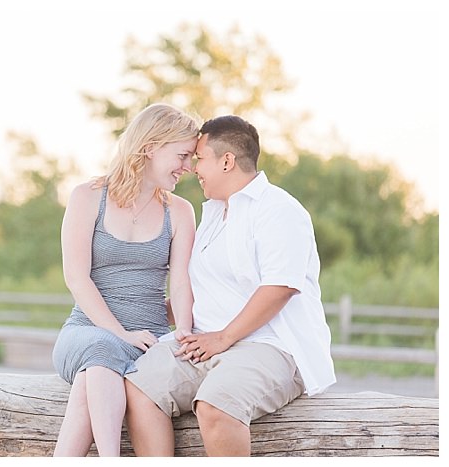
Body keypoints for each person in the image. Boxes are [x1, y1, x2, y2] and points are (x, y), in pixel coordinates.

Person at [124, 115, 336, 456]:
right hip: (204, 341)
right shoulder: (211, 214)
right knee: (138, 385)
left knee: (216, 405)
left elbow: (280, 287)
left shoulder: (279, 210)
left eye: (200, 158)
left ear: (226, 161)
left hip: (272, 346)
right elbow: (202, 289)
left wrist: (223, 338)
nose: (193, 168)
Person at [51, 103, 200, 456]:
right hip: (87, 331)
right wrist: (120, 333)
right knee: (101, 350)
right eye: (182, 155)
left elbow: (180, 283)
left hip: (148, 338)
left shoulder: (180, 212)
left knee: (91, 380)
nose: (188, 167)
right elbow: (77, 278)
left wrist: (184, 332)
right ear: (150, 147)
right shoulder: (87, 197)